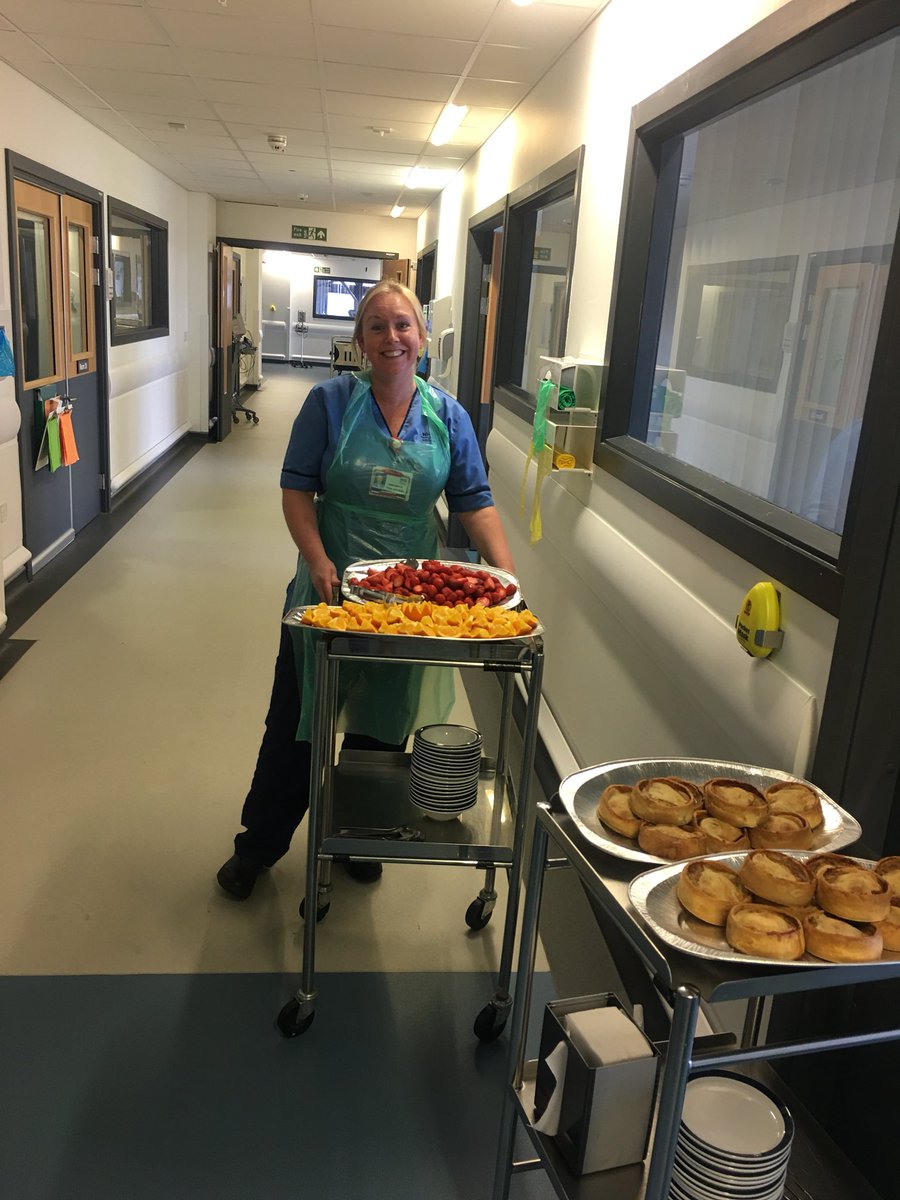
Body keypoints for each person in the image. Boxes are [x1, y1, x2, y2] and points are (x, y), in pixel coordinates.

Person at [217, 280, 516, 899]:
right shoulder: (328, 404)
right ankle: (260, 845)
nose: (391, 338)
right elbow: (297, 490)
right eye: (376, 327)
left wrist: (506, 580)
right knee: (299, 722)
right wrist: (319, 559)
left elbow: (475, 501)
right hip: (329, 588)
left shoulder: (448, 416)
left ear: (423, 337)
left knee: (382, 722)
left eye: (403, 325)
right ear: (359, 341)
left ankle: (360, 833)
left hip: (408, 602)